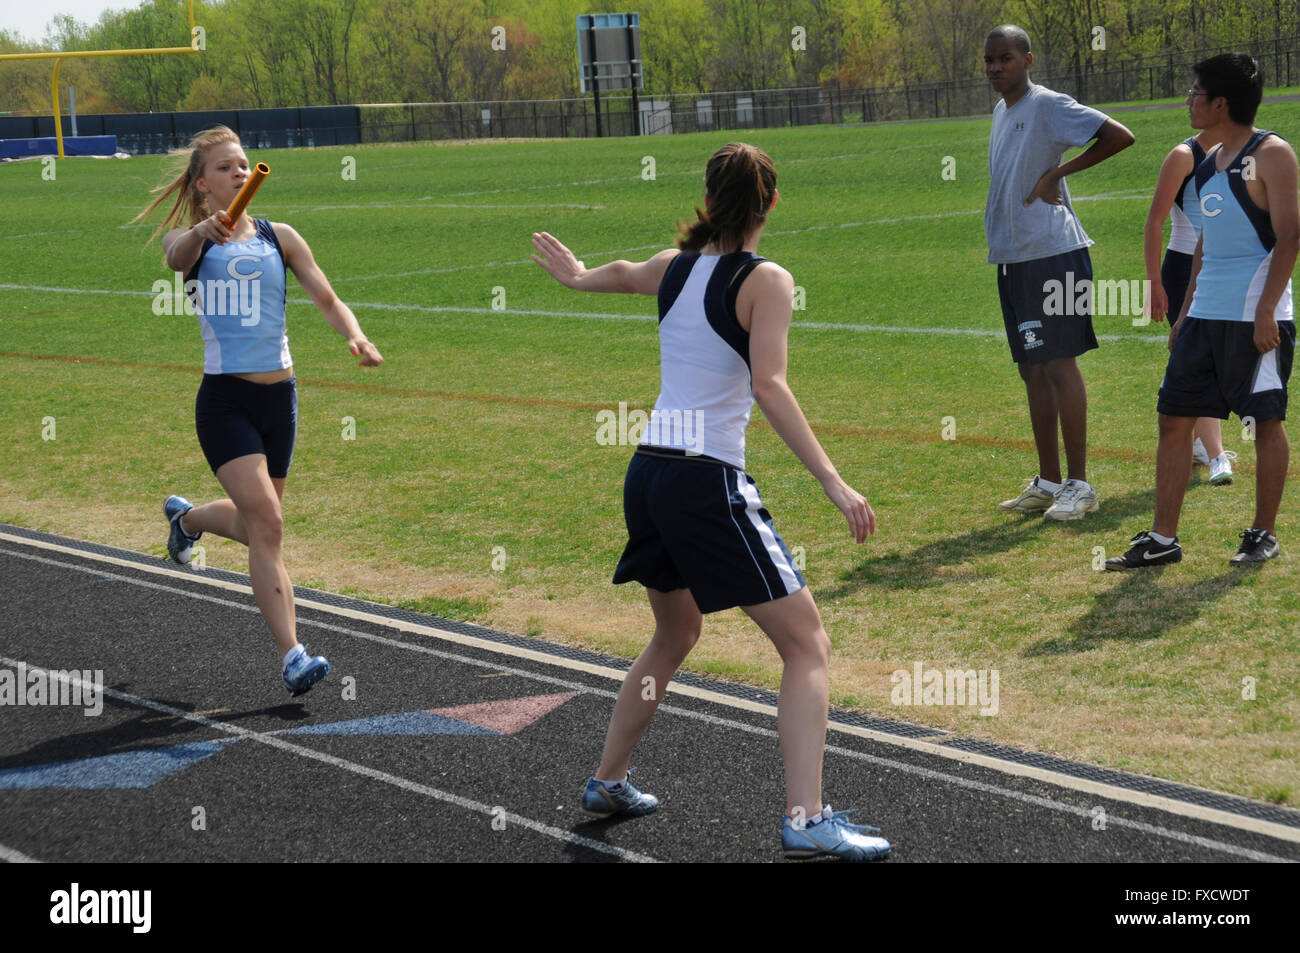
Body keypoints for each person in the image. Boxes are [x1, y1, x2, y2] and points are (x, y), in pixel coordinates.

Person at [530, 142, 890, 861]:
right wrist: (832, 479)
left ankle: (608, 779)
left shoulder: (674, 266)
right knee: (806, 643)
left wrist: (574, 276)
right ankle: (806, 816)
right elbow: (770, 385)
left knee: (675, 634)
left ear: (708, 196)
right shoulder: (768, 281)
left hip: (650, 474)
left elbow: (622, 273)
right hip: (705, 479)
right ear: (772, 204)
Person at [133, 125, 384, 693]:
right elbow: (174, 260)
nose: (239, 173)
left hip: (281, 400)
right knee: (269, 525)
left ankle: (188, 520)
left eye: (243, 164)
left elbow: (327, 295)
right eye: (224, 168)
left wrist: (355, 335)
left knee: (256, 527)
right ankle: (294, 654)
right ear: (201, 185)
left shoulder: (280, 235)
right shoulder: (193, 241)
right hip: (226, 403)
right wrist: (201, 230)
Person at [1108, 54, 1296, 569]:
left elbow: (1289, 237)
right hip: (1205, 315)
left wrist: (1264, 312)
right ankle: (1163, 539)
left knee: (1265, 421)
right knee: (1173, 417)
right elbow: (1205, 247)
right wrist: (1187, 311)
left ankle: (1262, 532)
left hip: (1256, 318)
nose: (1188, 100)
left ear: (1221, 104)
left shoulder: (1273, 153)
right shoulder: (1208, 163)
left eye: (1195, 93)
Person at [985, 24, 1134, 520]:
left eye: (1005, 58)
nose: (995, 67)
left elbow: (1118, 136)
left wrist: (1058, 173)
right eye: (990, 60)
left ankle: (1080, 485)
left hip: (1054, 254)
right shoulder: (1001, 112)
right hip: (1013, 259)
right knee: (1032, 369)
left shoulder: (1048, 104)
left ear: (1028, 60)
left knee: (1060, 363)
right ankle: (1048, 481)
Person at [1144, 119, 1238, 485]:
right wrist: (1154, 283)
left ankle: (1200, 442)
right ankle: (1217, 457)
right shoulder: (1183, 156)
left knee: (1223, 359)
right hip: (1185, 270)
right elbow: (1154, 222)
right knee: (1201, 361)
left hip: (1226, 268)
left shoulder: (1243, 151)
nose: (1190, 103)